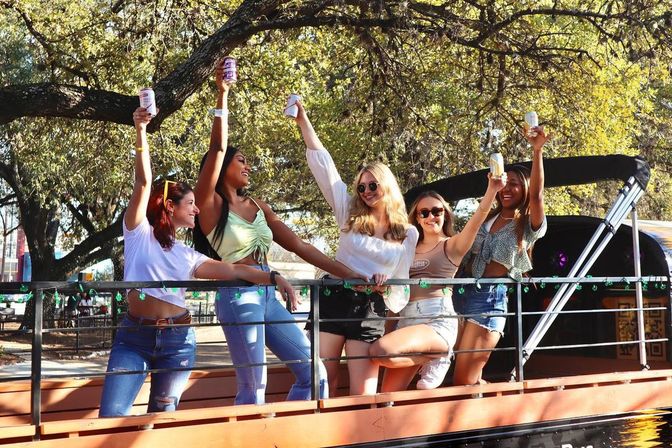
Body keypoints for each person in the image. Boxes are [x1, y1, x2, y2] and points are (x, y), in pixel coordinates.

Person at [98, 102, 297, 417]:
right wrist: (140, 131)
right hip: (134, 338)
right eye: (190, 204)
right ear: (170, 206)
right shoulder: (138, 233)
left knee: (161, 421)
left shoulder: (187, 254)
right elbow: (143, 183)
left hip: (178, 340)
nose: (196, 209)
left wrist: (275, 278)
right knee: (111, 415)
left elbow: (232, 269)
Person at [193, 69, 365, 405]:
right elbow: (216, 147)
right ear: (224, 165)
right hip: (238, 297)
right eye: (241, 160)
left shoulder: (258, 206)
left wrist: (349, 276)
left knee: (314, 375)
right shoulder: (210, 205)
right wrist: (222, 94)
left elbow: (300, 246)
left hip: (269, 294)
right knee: (253, 386)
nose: (248, 166)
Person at [293, 100, 418, 396]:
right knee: (324, 382)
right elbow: (327, 171)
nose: (366, 192)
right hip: (333, 298)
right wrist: (303, 121)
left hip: (369, 309)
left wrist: (385, 289)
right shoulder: (348, 213)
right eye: (362, 187)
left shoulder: (408, 233)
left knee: (363, 392)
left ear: (386, 185)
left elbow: (402, 284)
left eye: (372, 185)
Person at [369, 173, 506, 392]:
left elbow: (478, 218)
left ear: (445, 214)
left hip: (436, 319)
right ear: (417, 217)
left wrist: (492, 190)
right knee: (388, 396)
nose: (431, 216)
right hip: (406, 318)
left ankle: (441, 353)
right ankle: (433, 356)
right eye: (424, 212)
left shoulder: (452, 246)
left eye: (437, 211)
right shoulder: (406, 248)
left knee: (380, 351)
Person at [452, 125, 550, 386]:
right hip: (459, 293)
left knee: (463, 379)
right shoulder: (487, 216)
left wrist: (536, 150)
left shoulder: (527, 223)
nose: (507, 189)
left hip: (488, 300)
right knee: (452, 373)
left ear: (525, 189)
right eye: (505, 183)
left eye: (515, 184)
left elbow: (538, 195)